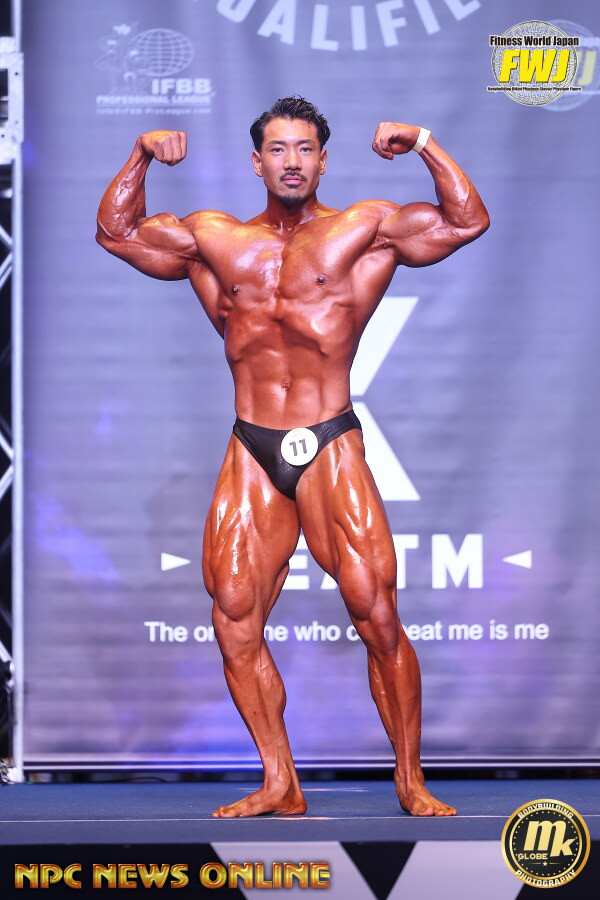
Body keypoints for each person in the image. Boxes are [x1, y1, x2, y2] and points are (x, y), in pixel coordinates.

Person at [97, 97, 489, 818]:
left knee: (376, 615)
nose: (292, 162)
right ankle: (280, 779)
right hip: (252, 441)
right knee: (234, 616)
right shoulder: (215, 238)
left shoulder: (362, 229)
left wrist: (425, 142)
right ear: (257, 162)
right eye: (278, 149)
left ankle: (410, 779)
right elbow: (116, 233)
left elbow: (465, 221)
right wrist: (141, 155)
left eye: (305, 149)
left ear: (323, 160)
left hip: (328, 436)